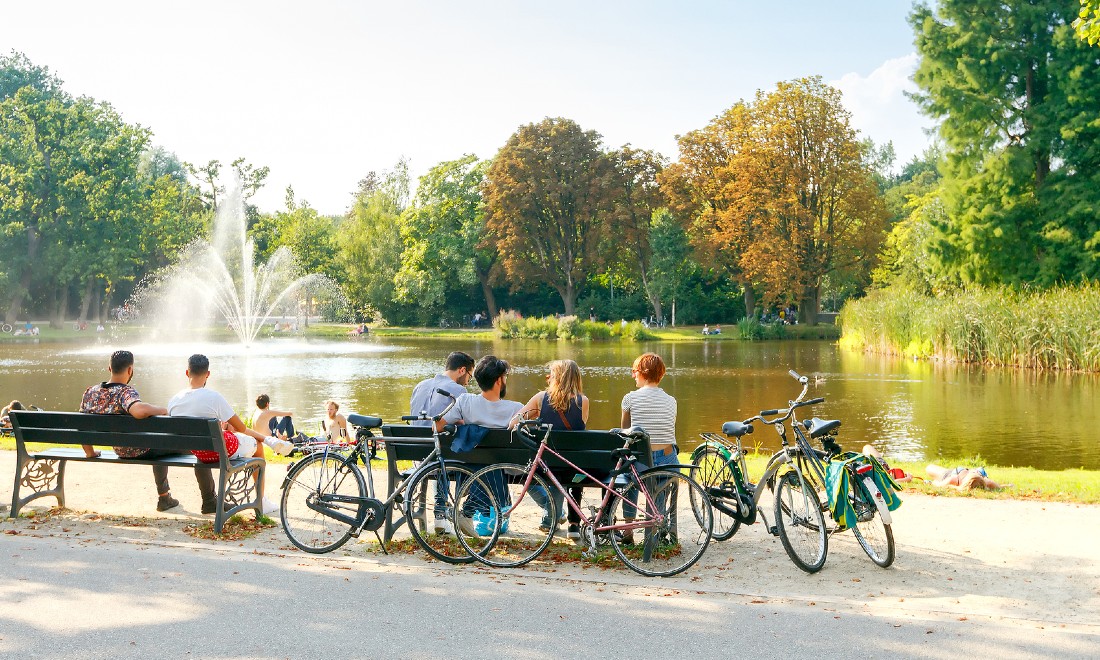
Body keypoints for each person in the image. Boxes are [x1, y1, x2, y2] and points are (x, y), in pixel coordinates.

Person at [166, 354, 291, 515]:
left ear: (187, 372)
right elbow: (241, 428)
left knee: (221, 432)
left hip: (199, 452)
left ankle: (269, 441)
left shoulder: (174, 400)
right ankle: (262, 500)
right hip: (221, 451)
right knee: (257, 446)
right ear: (208, 374)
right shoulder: (213, 397)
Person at [78, 350, 183, 512]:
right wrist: (163, 410)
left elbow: (82, 426)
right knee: (182, 443)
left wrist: (90, 452)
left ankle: (165, 498)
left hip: (120, 449)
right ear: (130, 370)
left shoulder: (90, 393)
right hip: (140, 449)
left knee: (159, 439)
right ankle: (166, 498)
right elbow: (139, 411)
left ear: (109, 368)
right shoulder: (125, 392)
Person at [440, 355, 525, 537]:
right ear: (499, 380)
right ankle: (470, 511)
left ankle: (468, 511)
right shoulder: (516, 409)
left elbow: (438, 425)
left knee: (483, 461)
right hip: (503, 468)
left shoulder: (464, 401)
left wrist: (462, 425)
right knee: (493, 463)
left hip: (470, 467)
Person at [512, 359, 590, 540]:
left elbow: (514, 423)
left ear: (556, 378)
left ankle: (552, 515)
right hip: (573, 466)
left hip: (546, 465)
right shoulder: (582, 401)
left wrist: (537, 414)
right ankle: (573, 525)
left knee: (534, 474)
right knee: (572, 470)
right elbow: (581, 428)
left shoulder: (541, 398)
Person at [621, 352, 679, 543]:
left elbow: (625, 432)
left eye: (635, 371)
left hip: (642, 464)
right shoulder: (672, 401)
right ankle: (656, 531)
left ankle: (627, 530)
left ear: (643, 373)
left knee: (628, 464)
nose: (633, 375)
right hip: (667, 463)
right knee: (659, 482)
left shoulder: (630, 398)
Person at [409, 351, 474, 428]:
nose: (467, 383)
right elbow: (467, 422)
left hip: (414, 437)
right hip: (439, 438)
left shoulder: (419, 386)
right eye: (469, 377)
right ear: (462, 370)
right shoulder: (459, 390)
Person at [926, 464, 1006, 491]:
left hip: (951, 474)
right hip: (978, 472)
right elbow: (1001, 487)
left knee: (929, 468)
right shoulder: (988, 482)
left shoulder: (954, 480)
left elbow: (937, 484)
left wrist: (932, 482)